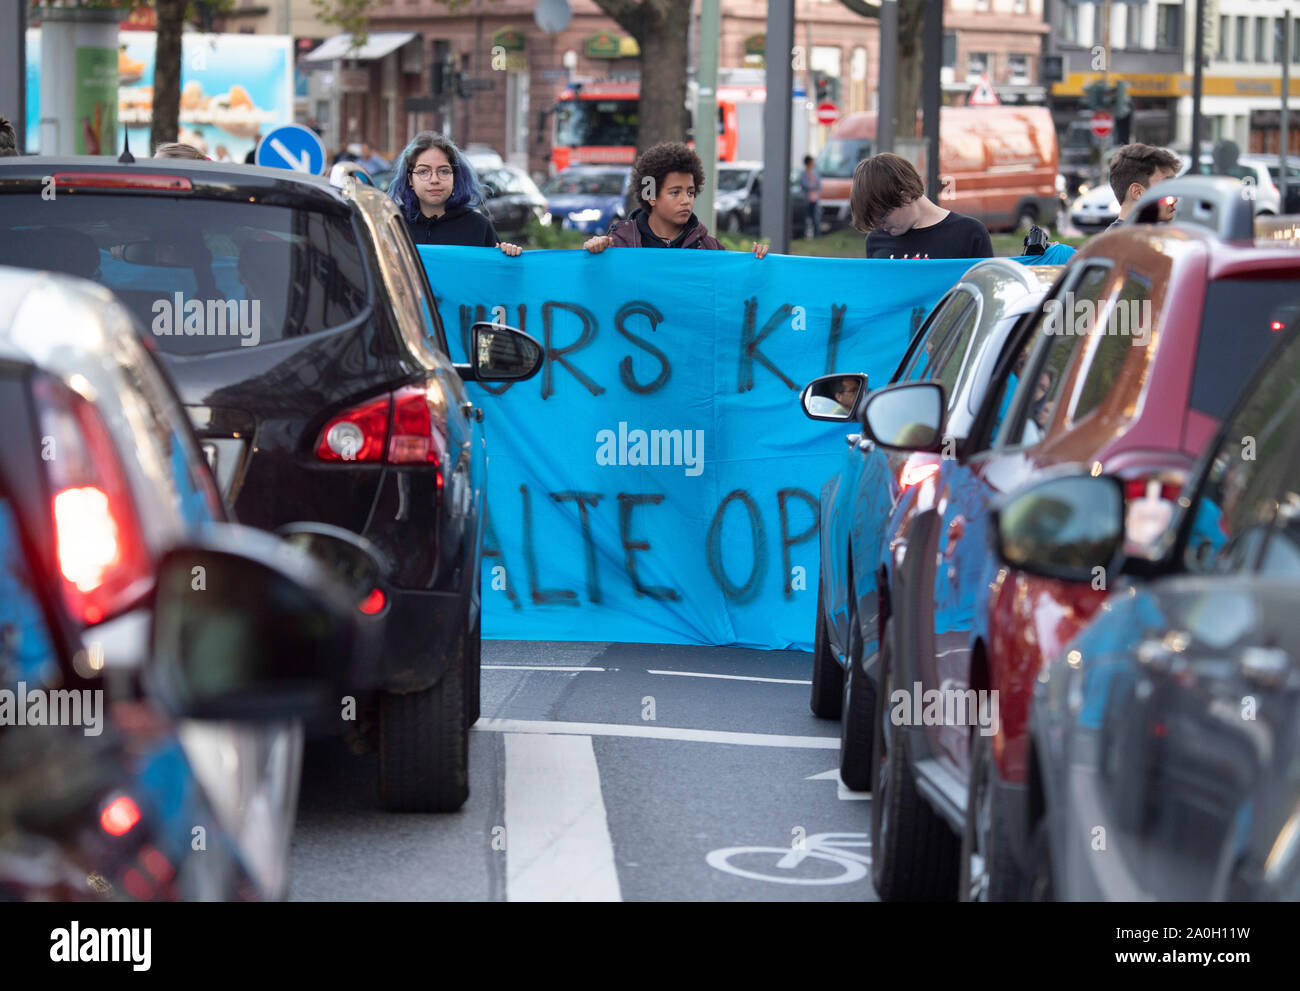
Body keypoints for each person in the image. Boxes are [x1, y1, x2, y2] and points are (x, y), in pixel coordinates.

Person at [583, 141, 768, 257]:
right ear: (651, 196)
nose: (686, 200)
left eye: (690, 192)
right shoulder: (619, 243)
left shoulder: (709, 248)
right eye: (675, 192)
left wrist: (753, 263)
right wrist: (593, 252)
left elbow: (731, 289)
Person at [387, 131, 521, 256]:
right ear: (410, 179)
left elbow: (494, 276)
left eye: (444, 171)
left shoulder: (478, 226)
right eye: (423, 171)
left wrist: (507, 255)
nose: (434, 180)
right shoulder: (393, 224)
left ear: (455, 177)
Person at [853, 152, 993, 259]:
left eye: (882, 217)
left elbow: (984, 291)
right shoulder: (876, 240)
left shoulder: (969, 233)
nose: (882, 226)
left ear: (905, 195)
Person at [1104, 144, 1181, 231]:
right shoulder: (1121, 242)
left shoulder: (1124, 237)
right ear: (1137, 192)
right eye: (1165, 188)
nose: (1174, 199)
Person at [799, 154, 821, 238]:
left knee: (816, 218)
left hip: (815, 199)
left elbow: (818, 184)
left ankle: (817, 234)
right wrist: (813, 186)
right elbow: (805, 185)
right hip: (807, 199)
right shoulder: (803, 173)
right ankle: (806, 235)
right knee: (807, 218)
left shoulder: (815, 172)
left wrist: (813, 186)